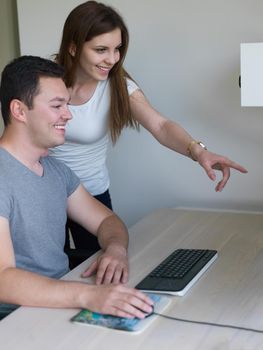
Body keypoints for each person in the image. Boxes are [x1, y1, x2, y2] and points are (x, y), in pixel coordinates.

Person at [50, 0, 247, 260]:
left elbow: (161, 125)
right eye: (100, 50)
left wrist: (199, 153)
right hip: (44, 194)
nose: (112, 59)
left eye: (117, 49)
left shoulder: (117, 86)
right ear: (74, 47)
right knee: (50, 271)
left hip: (92, 195)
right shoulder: (44, 80)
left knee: (97, 268)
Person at [0, 55, 153, 320]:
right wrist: (87, 295)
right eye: (57, 105)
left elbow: (107, 220)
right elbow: (3, 280)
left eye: (67, 105)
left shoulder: (57, 171)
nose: (68, 115)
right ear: (19, 111)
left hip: (60, 303)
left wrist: (116, 249)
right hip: (16, 318)